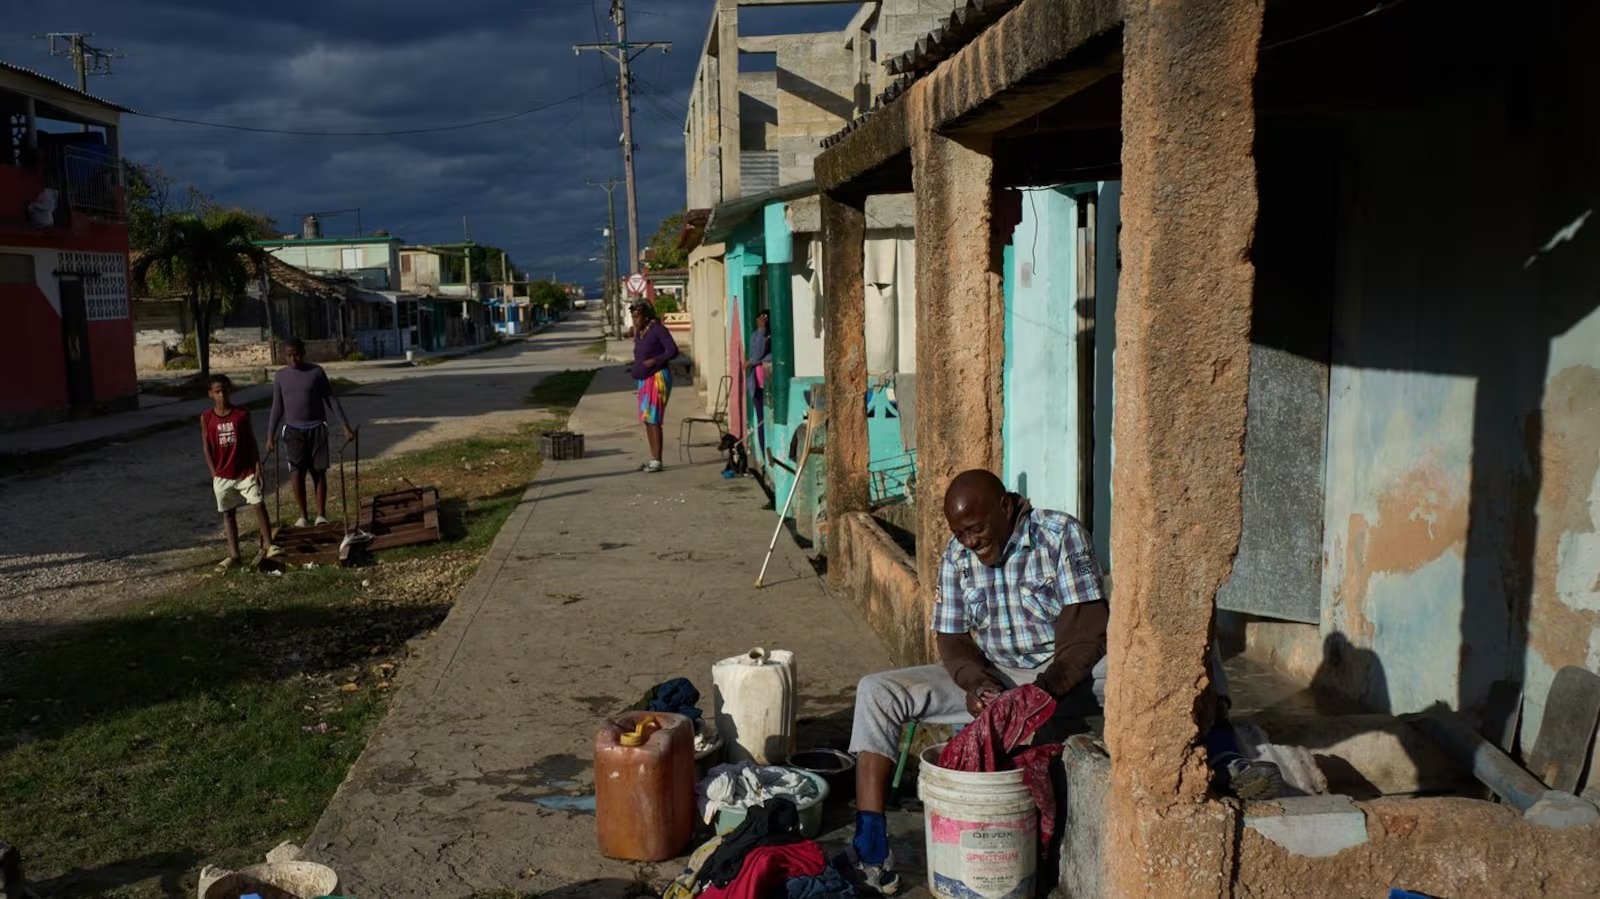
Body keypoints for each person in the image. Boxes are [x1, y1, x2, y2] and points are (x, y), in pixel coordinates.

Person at [839, 469, 1282, 894]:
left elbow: (1087, 631)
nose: (970, 542)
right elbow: (952, 639)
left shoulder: (1057, 534)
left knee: (1188, 647)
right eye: (961, 533)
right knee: (877, 691)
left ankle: (1223, 753)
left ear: (1006, 507)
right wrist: (977, 684)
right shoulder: (957, 556)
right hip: (998, 678)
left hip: (1070, 672)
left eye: (976, 529)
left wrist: (1043, 692)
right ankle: (871, 847)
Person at [265, 337, 355, 527]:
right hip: (293, 432)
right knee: (296, 472)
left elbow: (330, 400)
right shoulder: (281, 376)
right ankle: (303, 515)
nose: (294, 359)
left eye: (297, 354)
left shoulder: (316, 372)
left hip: (317, 428)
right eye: (289, 355)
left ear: (303, 353)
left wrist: (345, 426)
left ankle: (321, 515)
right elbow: (277, 407)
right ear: (283, 356)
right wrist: (270, 436)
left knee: (318, 471)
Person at [200, 374, 282, 569]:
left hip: (245, 471)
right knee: (228, 513)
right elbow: (206, 445)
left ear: (230, 391)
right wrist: (213, 471)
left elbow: (251, 440)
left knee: (258, 503)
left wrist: (257, 465)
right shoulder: (206, 417)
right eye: (217, 392)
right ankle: (234, 554)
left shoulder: (241, 414)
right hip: (222, 474)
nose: (222, 395)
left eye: (225, 391)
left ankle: (269, 544)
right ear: (211, 394)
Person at [629, 301, 679, 472]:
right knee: (647, 419)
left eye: (637, 317)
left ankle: (658, 460)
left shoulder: (658, 330)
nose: (635, 321)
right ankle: (653, 458)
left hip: (657, 378)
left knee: (654, 418)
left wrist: (655, 360)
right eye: (633, 317)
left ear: (646, 316)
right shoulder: (639, 332)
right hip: (644, 379)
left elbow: (672, 350)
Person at [743, 310, 772, 457]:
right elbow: (756, 353)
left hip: (769, 385)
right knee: (761, 421)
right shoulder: (756, 336)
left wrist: (753, 361)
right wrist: (760, 332)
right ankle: (764, 455)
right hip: (757, 385)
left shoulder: (771, 336)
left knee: (768, 421)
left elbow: (758, 356)